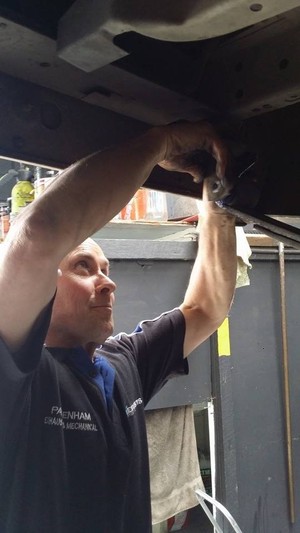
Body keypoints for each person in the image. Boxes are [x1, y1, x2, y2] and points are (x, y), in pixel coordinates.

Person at [0, 121, 237, 533]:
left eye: (106, 269)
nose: (107, 282)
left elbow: (207, 305)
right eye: (83, 267)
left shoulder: (122, 362)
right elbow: (38, 234)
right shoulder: (19, 375)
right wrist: (160, 143)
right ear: (39, 285)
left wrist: (215, 197)